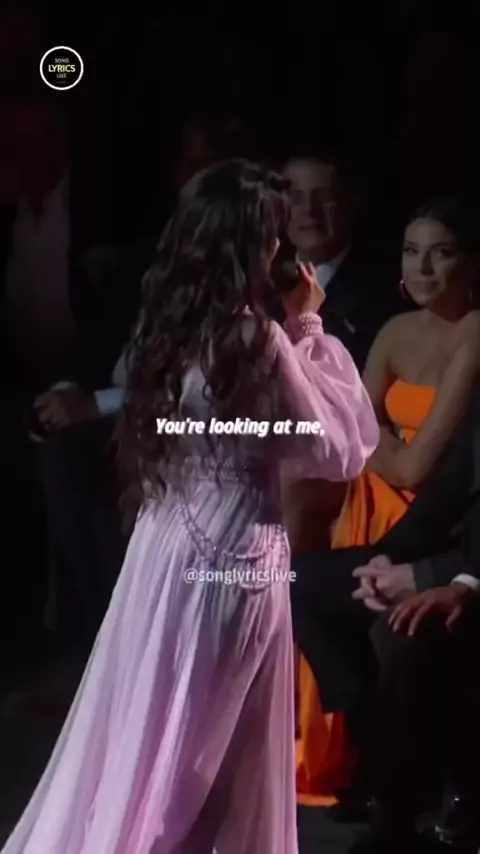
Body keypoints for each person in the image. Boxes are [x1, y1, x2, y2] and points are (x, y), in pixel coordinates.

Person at [1, 159, 378, 854]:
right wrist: (307, 328)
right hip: (233, 557)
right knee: (209, 755)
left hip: (166, 544)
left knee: (158, 727)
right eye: (271, 233)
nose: (281, 246)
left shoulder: (169, 324)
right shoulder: (254, 337)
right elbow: (334, 448)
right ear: (249, 242)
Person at [294, 195, 480, 808]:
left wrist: (368, 437)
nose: (423, 267)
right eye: (411, 251)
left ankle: (402, 778)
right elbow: (350, 426)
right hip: (387, 506)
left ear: (471, 263)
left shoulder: (476, 331)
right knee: (293, 567)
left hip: (438, 517)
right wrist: (367, 439)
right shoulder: (397, 330)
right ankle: (367, 740)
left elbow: (416, 465)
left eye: (441, 253)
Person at [291, 385, 480, 851]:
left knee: (401, 631)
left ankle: (404, 810)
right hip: (450, 558)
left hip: (468, 577)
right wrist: (389, 560)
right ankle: (374, 755)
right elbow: (449, 492)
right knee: (302, 582)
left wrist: (437, 578)